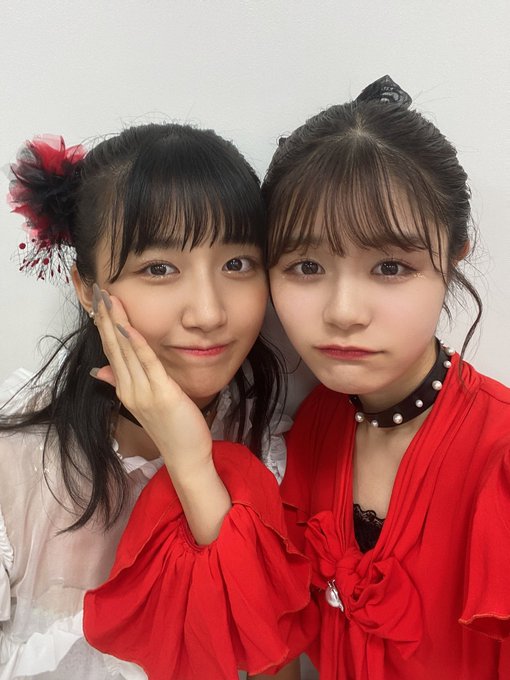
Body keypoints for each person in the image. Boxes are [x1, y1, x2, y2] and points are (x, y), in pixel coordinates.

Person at [84, 76, 510, 679]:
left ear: (453, 257)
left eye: (391, 267)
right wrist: (188, 455)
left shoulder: (500, 459)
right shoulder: (307, 432)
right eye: (307, 266)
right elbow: (266, 647)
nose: (344, 312)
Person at [0, 124, 294, 679]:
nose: (208, 313)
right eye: (159, 268)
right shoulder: (14, 461)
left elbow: (271, 662)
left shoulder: (270, 448)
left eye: (237, 264)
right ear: (87, 289)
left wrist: (192, 465)